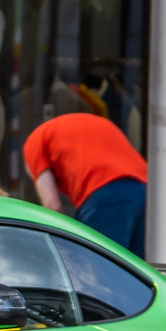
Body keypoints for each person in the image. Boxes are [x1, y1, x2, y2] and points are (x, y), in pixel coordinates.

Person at [23, 108, 149, 253]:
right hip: (144, 189)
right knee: (134, 269)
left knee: (97, 265)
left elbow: (53, 209)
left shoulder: (33, 144)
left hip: (105, 192)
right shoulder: (81, 124)